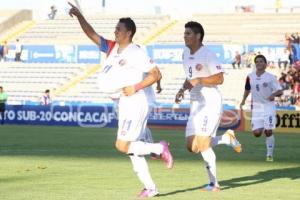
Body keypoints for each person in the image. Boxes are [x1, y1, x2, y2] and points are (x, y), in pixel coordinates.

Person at [68, 2, 173, 198]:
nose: (115, 31)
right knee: (132, 150)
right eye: (115, 28)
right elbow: (92, 34)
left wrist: (136, 87)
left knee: (122, 145)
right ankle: (150, 187)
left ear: (129, 33)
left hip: (135, 102)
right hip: (123, 104)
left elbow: (155, 73)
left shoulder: (135, 51)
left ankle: (159, 147)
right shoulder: (112, 47)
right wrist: (80, 16)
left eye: (119, 29)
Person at [175, 21, 242, 192]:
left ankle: (214, 184)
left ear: (198, 36)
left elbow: (219, 79)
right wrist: (183, 89)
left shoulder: (208, 54)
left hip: (210, 102)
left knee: (203, 144)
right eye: (184, 33)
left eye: (188, 33)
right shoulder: (184, 54)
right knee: (192, 147)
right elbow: (190, 77)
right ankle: (226, 138)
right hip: (195, 103)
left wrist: (200, 80)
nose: (185, 36)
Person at [240, 54, 283, 162]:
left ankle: (269, 155)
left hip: (268, 106)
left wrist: (273, 95)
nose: (259, 63)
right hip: (257, 107)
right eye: (257, 61)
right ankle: (264, 126)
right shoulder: (250, 76)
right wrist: (243, 100)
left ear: (265, 64)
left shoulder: (270, 77)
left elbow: (280, 91)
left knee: (268, 131)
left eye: (261, 61)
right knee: (257, 133)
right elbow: (247, 89)